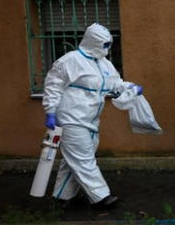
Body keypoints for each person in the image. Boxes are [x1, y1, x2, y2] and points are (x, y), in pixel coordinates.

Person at [43, 23, 142, 210]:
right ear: (93, 42)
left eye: (108, 44)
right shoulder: (71, 60)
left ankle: (61, 197)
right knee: (83, 159)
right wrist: (50, 111)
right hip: (71, 118)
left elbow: (115, 84)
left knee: (74, 159)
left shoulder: (104, 64)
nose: (107, 48)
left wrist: (131, 87)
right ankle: (100, 197)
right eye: (104, 44)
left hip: (90, 120)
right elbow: (53, 86)